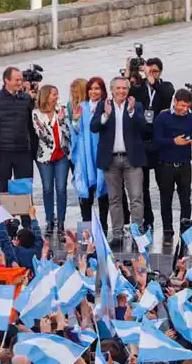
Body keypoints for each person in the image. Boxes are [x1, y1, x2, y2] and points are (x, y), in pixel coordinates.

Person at [90, 76, 147, 248]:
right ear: (112, 89)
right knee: (115, 198)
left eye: (124, 88)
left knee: (136, 197)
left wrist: (131, 112)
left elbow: (144, 128)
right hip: (111, 159)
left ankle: (137, 233)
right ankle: (117, 233)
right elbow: (94, 127)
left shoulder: (135, 105)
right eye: (118, 88)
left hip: (132, 159)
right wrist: (105, 115)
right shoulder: (103, 105)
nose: (121, 91)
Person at [130, 57, 175, 232]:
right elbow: (130, 96)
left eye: (155, 71)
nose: (151, 74)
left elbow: (167, 95)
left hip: (160, 143)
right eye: (149, 70)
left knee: (164, 186)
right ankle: (147, 219)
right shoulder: (140, 88)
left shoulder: (166, 86)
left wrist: (153, 81)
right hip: (143, 142)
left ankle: (168, 224)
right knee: (142, 187)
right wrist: (130, 74)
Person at [153, 88, 192, 245]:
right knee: (166, 199)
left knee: (185, 199)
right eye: (182, 105)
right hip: (166, 164)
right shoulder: (163, 117)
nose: (185, 109)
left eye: (187, 106)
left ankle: (185, 231)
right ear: (175, 101)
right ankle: (167, 232)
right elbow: (156, 140)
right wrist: (173, 141)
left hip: (184, 164)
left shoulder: (191, 119)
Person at [0, 66, 35, 194]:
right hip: (3, 151)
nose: (19, 83)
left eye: (21, 80)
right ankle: (5, 214)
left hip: (23, 150)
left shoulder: (26, 99)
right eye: (16, 80)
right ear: (7, 80)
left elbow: (31, 125)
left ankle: (25, 214)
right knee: (3, 186)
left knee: (23, 187)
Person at [72, 77, 110, 230]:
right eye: (91, 89)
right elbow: (76, 131)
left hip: (101, 152)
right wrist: (74, 121)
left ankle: (103, 228)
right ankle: (86, 231)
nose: (94, 92)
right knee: (85, 192)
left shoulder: (107, 106)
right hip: (85, 155)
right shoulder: (82, 107)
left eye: (97, 88)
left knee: (103, 191)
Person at [32, 85, 71, 236]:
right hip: (45, 157)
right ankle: (50, 220)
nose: (56, 97)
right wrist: (53, 123)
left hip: (62, 156)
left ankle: (61, 222)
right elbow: (42, 135)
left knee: (61, 188)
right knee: (47, 188)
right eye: (54, 94)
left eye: (57, 94)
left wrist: (61, 122)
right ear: (46, 96)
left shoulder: (62, 111)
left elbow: (68, 133)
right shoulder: (36, 113)